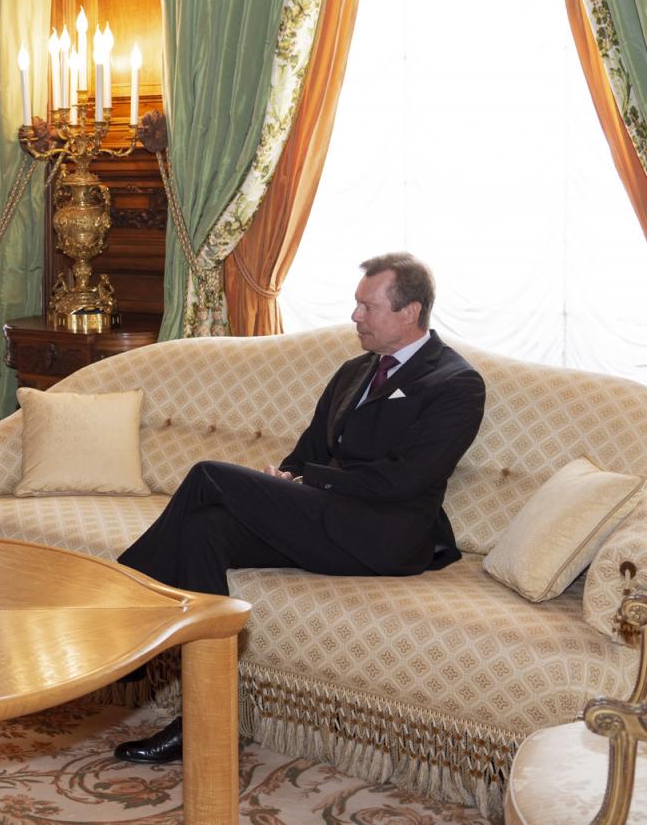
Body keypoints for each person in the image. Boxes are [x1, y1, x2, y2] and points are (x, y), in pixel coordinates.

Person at [113, 252, 486, 764]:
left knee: (207, 475)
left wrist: (310, 481)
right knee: (205, 527)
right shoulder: (355, 371)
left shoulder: (455, 383)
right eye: (356, 304)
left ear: (410, 312)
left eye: (367, 307)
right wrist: (287, 478)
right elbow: (309, 450)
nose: (355, 316)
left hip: (385, 535)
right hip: (327, 517)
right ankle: (206, 719)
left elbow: (406, 480)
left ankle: (118, 626)